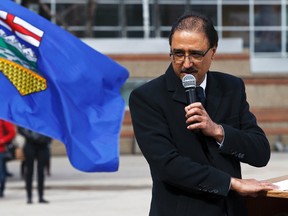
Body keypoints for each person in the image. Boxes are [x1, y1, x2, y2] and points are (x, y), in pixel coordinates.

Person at [129, 12, 278, 216]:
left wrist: (218, 131)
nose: (186, 63)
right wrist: (231, 183)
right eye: (178, 53)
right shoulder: (147, 97)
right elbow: (167, 165)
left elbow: (260, 153)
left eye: (196, 54)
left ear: (213, 52)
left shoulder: (231, 87)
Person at [18, 127, 52, 204]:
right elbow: (21, 127)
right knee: (29, 171)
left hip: (43, 145)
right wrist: (31, 136)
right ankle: (29, 196)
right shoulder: (27, 115)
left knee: (41, 171)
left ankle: (41, 196)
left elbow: (51, 127)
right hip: (30, 144)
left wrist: (44, 137)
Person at [0, 119, 16, 198]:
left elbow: (12, 132)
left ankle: (1, 190)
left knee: (1, 173)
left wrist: (2, 140)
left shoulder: (3, 119)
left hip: (1, 150)